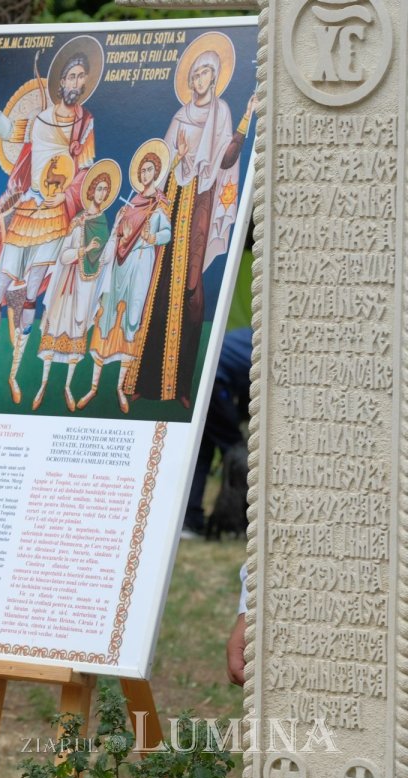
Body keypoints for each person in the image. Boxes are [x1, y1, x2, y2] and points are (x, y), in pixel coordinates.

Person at [0, 37, 102, 403]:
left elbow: (86, 171)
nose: (77, 83)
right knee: (0, 288)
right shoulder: (38, 120)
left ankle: (14, 376)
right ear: (61, 81)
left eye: (83, 77)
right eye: (72, 76)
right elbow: (6, 133)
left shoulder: (85, 125)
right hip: (26, 212)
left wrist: (74, 201)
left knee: (31, 292)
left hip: (55, 216)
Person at [130, 34, 255, 408]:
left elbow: (228, 160)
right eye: (196, 73)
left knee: (192, 290)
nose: (200, 79)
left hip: (200, 206)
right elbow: (163, 163)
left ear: (215, 78)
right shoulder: (180, 116)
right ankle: (142, 381)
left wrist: (247, 115)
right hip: (172, 206)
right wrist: (178, 158)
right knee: (158, 287)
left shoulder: (223, 114)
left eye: (206, 73)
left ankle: (183, 387)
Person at [80, 141, 171, 413]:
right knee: (108, 316)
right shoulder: (130, 202)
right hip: (120, 264)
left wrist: (152, 236)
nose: (144, 174)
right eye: (141, 170)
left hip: (141, 262)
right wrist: (119, 222)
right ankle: (93, 387)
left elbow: (166, 234)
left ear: (156, 173)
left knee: (132, 317)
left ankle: (119, 387)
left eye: (149, 169)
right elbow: (118, 235)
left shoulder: (159, 205)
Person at [31, 159, 118, 411]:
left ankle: (67, 386)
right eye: (98, 188)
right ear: (90, 190)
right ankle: (43, 384)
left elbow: (103, 260)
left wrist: (112, 242)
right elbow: (64, 255)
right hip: (66, 285)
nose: (101, 193)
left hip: (86, 287)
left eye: (105, 189)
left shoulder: (103, 223)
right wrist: (83, 250)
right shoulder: (79, 220)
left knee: (77, 332)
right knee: (54, 331)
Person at [183, 326, 252, 537]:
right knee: (238, 454)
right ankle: (236, 522)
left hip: (192, 378)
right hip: (214, 381)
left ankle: (189, 522)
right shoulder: (275, 345)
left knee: (201, 452)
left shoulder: (251, 333)